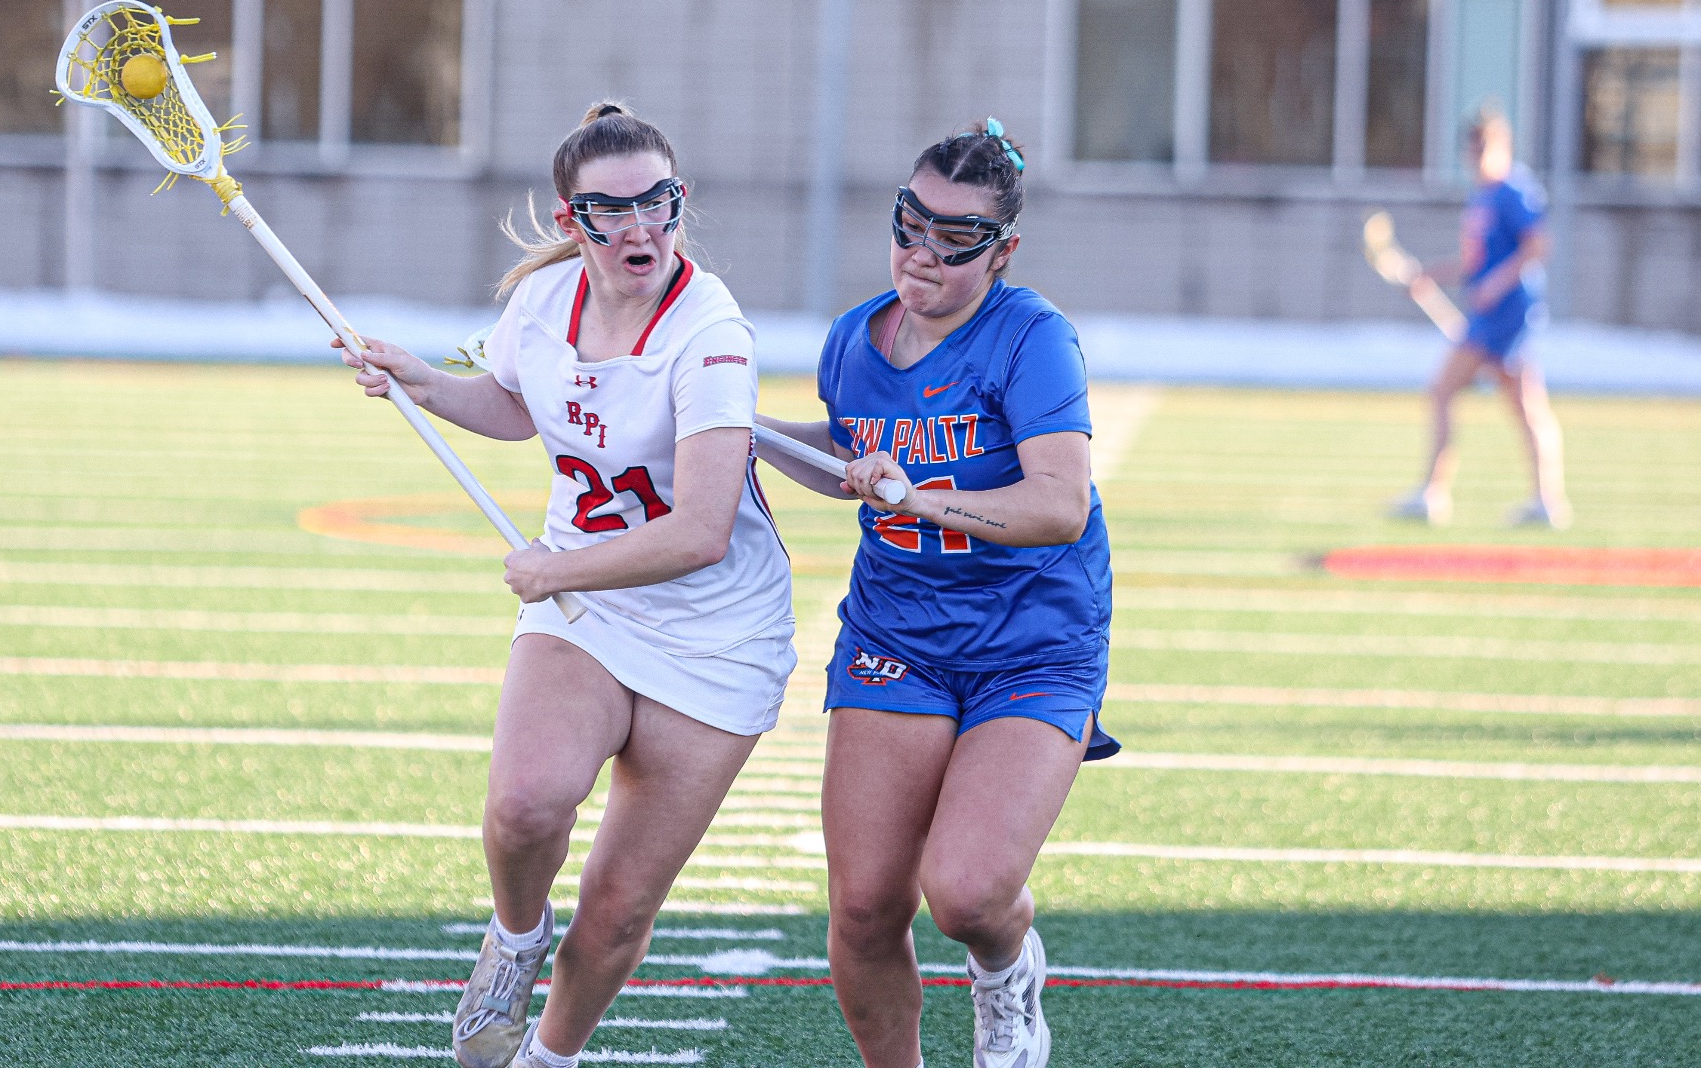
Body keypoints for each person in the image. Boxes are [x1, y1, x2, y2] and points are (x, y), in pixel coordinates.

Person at [338, 102, 795, 1068]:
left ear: (680, 202)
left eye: (657, 203)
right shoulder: (544, 302)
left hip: (716, 633)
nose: (639, 229)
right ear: (569, 220)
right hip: (590, 611)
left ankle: (549, 1057)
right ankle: (513, 939)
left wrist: (553, 568)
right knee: (525, 808)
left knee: (618, 907)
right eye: (610, 211)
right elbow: (514, 404)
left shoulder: (712, 334)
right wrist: (422, 382)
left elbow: (701, 532)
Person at [757, 119, 1118, 1068]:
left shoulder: (1032, 337)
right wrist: (743, 430)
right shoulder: (853, 338)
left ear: (1002, 252)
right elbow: (848, 457)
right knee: (865, 906)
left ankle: (1007, 970)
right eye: (908, 225)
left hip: (1032, 642)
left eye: (953, 240)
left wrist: (917, 497)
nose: (921, 254)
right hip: (897, 635)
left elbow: (1059, 505)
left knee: (966, 893)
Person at [1392, 107, 1570, 528]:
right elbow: (1475, 263)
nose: (1476, 156)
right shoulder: (1481, 197)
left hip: (1508, 315)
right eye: (1472, 148)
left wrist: (1496, 285)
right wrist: (1428, 275)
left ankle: (1433, 495)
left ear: (1503, 146)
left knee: (1444, 391)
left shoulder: (1514, 191)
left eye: (1484, 146)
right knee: (1524, 405)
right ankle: (1547, 501)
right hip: (1489, 315)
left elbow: (1538, 246)